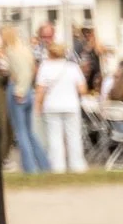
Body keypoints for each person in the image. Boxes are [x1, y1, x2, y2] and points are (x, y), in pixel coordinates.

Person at [35, 39, 88, 173]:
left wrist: (38, 105)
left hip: (51, 106)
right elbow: (82, 89)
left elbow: (40, 90)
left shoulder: (44, 67)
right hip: (71, 105)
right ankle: (77, 165)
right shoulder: (73, 67)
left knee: (54, 137)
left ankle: (57, 166)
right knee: (74, 136)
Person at [0, 28, 44, 174]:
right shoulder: (25, 49)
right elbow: (31, 70)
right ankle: (44, 163)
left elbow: (23, 73)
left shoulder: (12, 51)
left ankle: (30, 167)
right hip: (28, 90)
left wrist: (19, 90)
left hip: (18, 89)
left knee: (21, 132)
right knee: (28, 132)